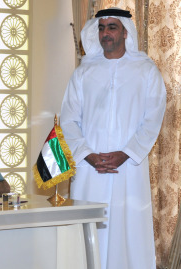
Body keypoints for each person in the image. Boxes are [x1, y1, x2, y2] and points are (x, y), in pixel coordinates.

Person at [60, 8, 166, 269]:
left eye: (112, 27)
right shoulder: (83, 73)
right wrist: (88, 154)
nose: (105, 33)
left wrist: (125, 153)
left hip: (128, 167)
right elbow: (69, 119)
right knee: (89, 230)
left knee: (127, 230)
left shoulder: (146, 70)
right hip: (89, 168)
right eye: (101, 27)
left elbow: (153, 118)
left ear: (125, 32)